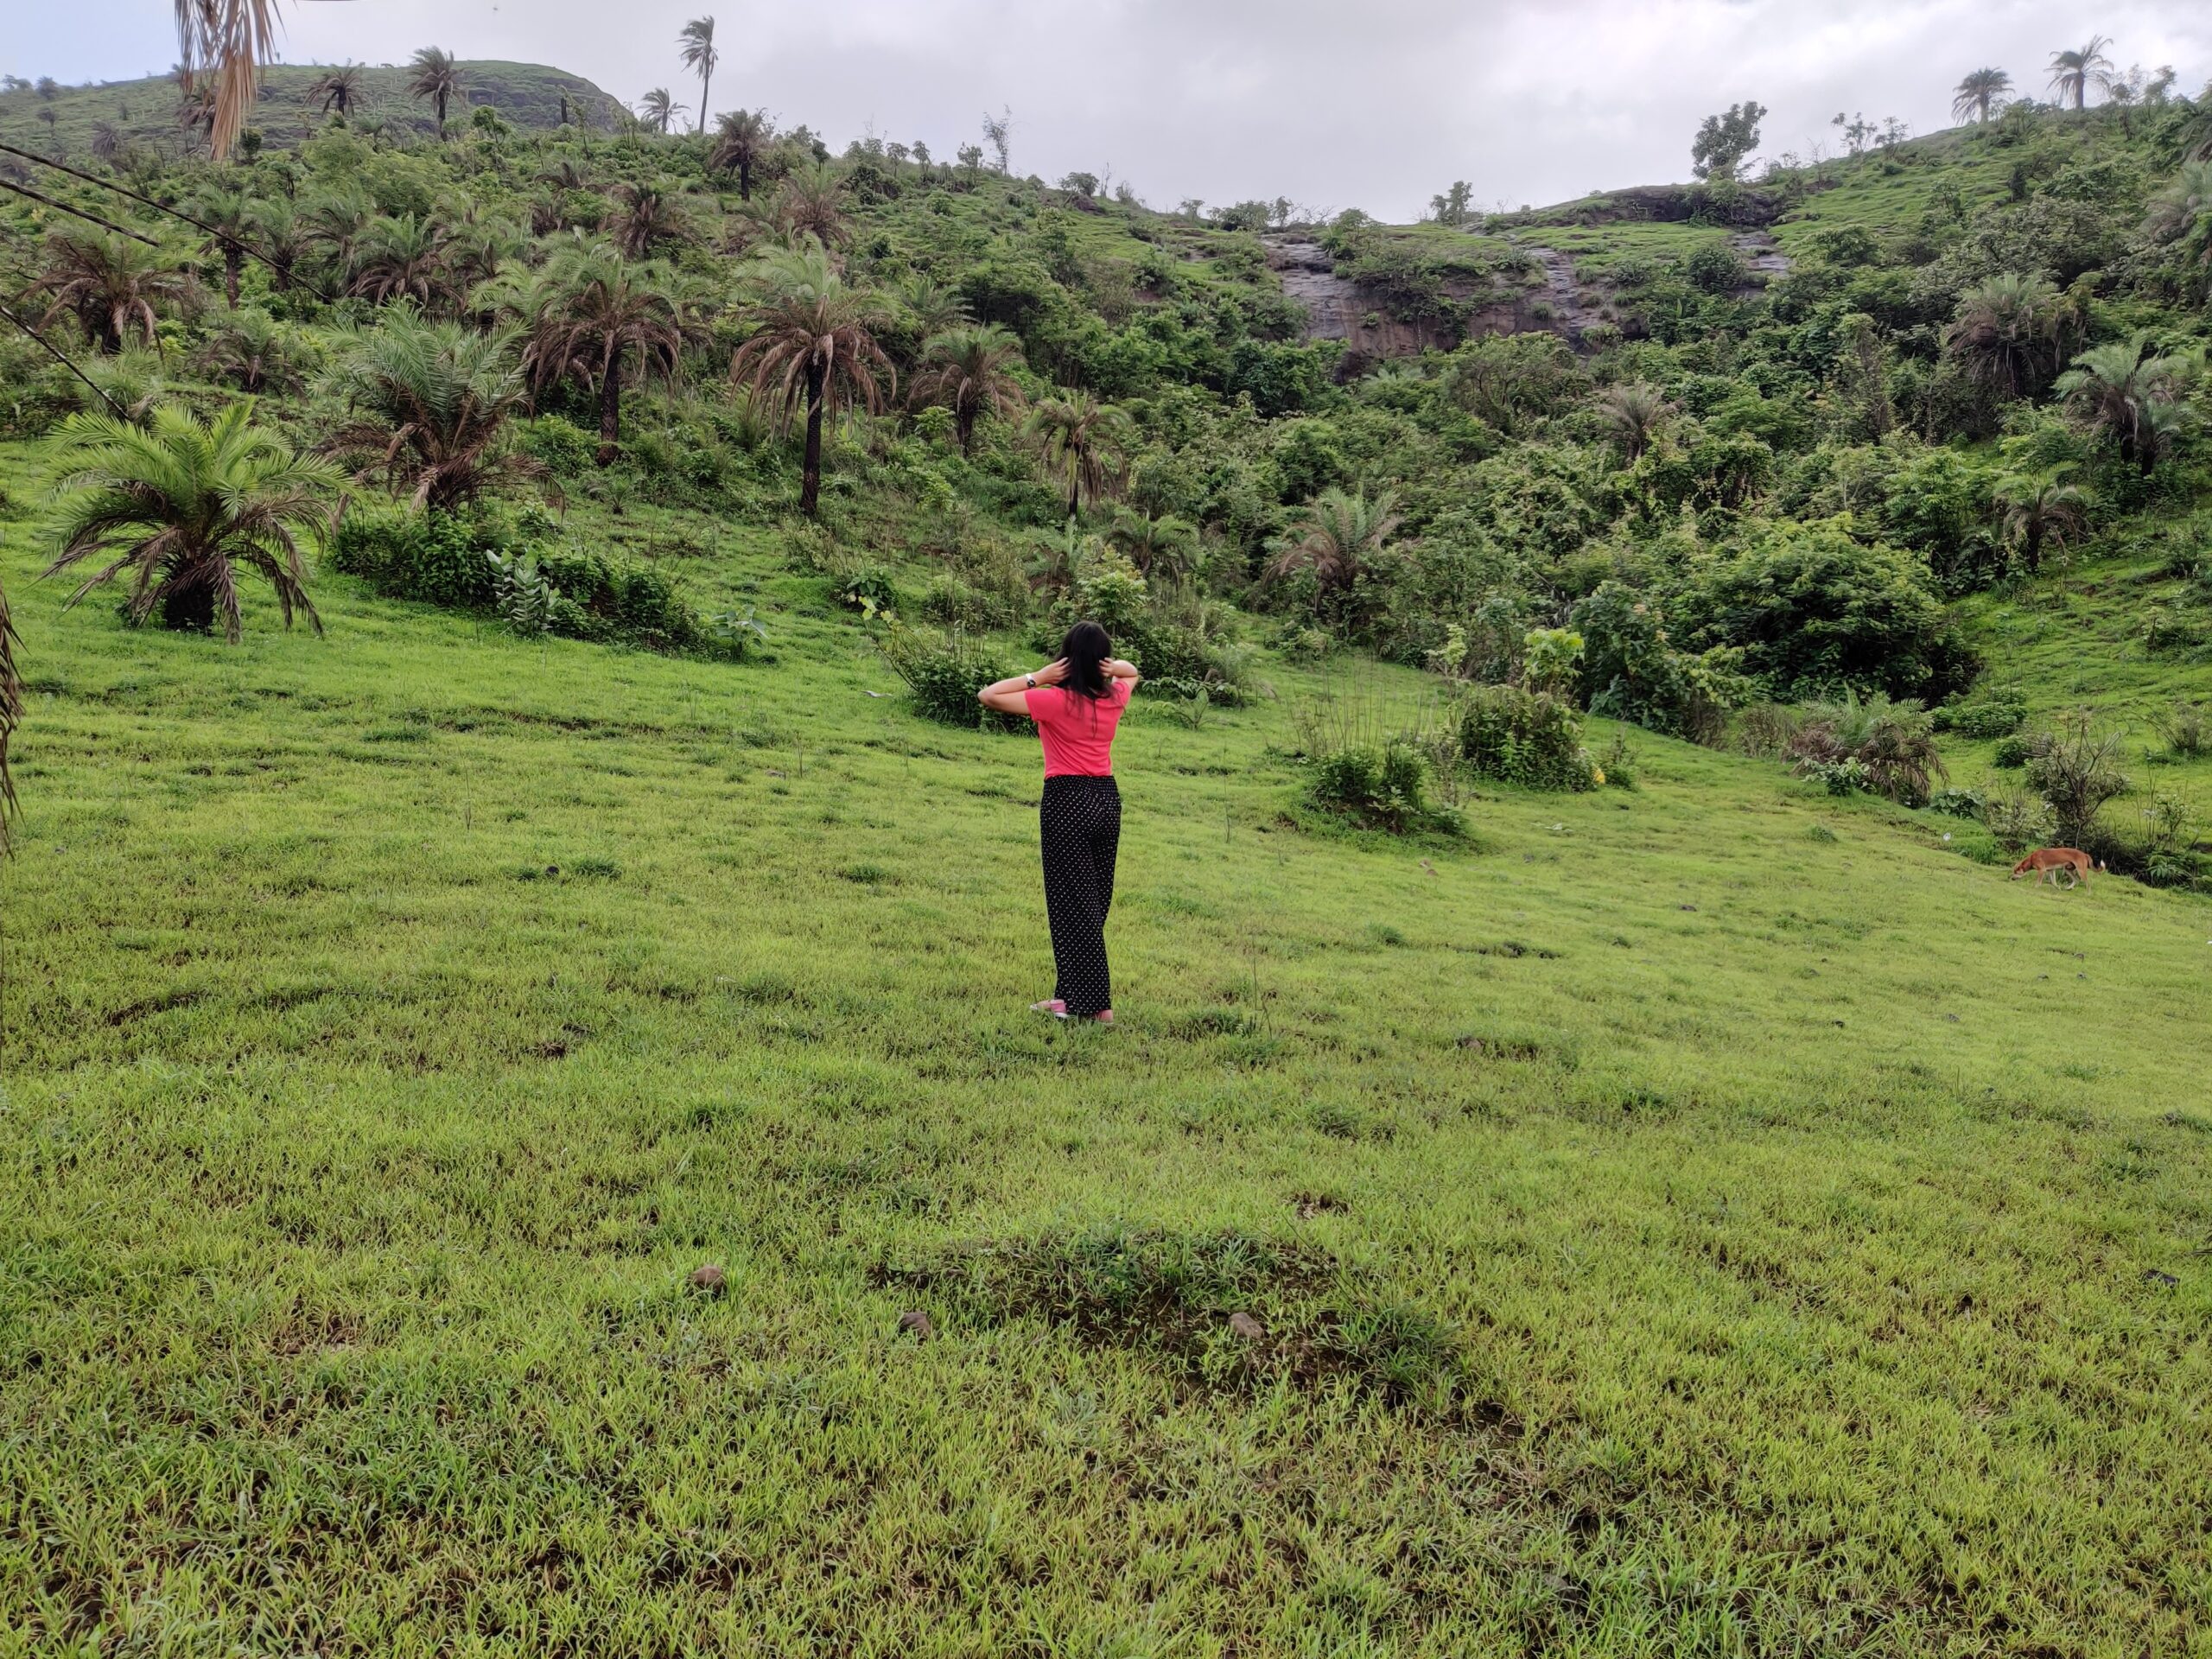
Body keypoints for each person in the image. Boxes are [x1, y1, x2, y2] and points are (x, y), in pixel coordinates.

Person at [979, 621, 1141, 1024]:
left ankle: (1097, 1006)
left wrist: (1037, 677)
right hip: (1106, 799)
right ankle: (1068, 995)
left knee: (1072, 904)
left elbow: (989, 696)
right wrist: (1112, 667)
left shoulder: (1052, 699)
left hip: (1067, 799)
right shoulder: (1116, 696)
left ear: (1066, 660)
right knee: (1093, 901)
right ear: (1102, 660)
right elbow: (1132, 671)